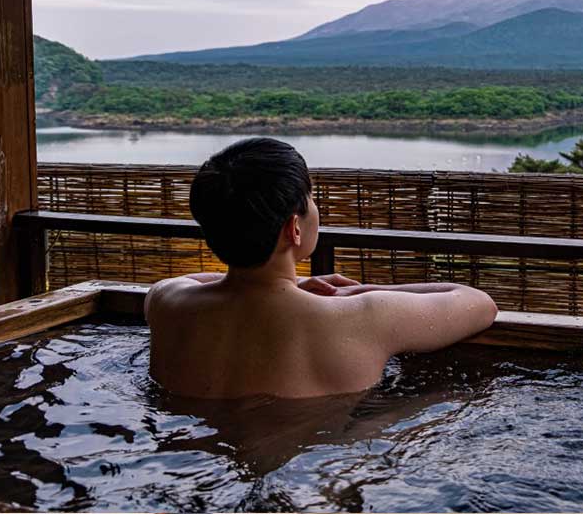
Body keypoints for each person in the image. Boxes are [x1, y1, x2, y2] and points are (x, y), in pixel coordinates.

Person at [145, 137, 498, 399]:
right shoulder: (360, 315)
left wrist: (293, 284)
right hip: (315, 474)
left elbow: (199, 281)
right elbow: (478, 303)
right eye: (312, 198)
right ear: (293, 228)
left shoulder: (166, 303)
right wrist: (360, 291)